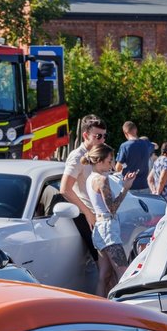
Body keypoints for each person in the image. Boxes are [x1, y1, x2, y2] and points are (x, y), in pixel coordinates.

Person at [83, 144, 137, 296]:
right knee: (123, 273)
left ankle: (98, 306)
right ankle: (123, 306)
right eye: (109, 161)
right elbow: (112, 208)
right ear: (99, 160)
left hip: (100, 227)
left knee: (104, 275)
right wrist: (126, 188)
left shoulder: (90, 178)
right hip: (108, 228)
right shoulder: (101, 179)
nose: (111, 164)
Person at [61, 114, 108, 273]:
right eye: (98, 136)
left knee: (107, 269)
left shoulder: (99, 154)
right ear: (85, 135)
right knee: (104, 269)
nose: (102, 140)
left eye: (104, 136)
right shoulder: (77, 156)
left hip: (102, 216)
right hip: (88, 217)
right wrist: (88, 213)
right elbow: (65, 189)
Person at [114, 121, 152, 190]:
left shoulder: (125, 146)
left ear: (125, 133)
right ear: (136, 130)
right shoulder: (146, 144)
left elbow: (118, 168)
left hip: (130, 187)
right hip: (144, 186)